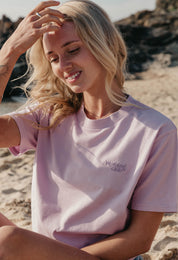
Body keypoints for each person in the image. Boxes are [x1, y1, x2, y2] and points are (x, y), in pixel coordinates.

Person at [0, 1, 177, 259]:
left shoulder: (156, 131)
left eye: (72, 50)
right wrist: (10, 49)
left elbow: (139, 239)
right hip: (43, 253)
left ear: (103, 42)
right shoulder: (50, 114)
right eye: (54, 59)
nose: (64, 66)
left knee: (7, 241)